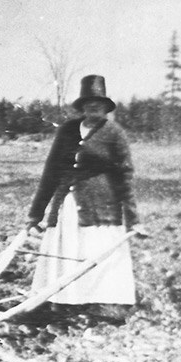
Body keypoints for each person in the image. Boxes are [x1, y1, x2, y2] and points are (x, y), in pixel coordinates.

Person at [26, 75, 148, 320]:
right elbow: (52, 170)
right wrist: (36, 213)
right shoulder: (67, 130)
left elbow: (125, 175)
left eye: (99, 103)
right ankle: (62, 301)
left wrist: (133, 219)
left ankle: (106, 304)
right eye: (89, 102)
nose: (94, 107)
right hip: (67, 201)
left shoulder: (114, 133)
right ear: (82, 106)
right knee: (66, 246)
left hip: (102, 204)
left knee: (96, 248)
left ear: (106, 107)